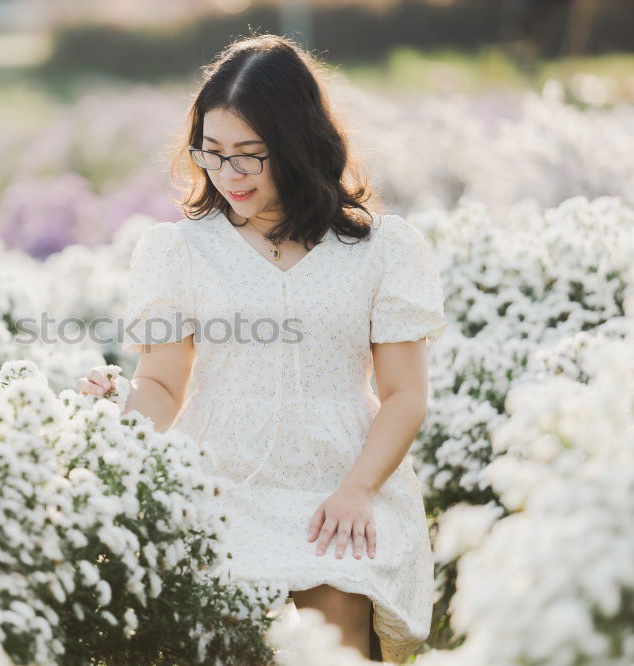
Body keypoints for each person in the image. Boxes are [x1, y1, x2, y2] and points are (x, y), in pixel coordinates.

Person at [76, 33, 446, 664]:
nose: (229, 174)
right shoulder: (180, 251)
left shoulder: (384, 249)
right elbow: (164, 386)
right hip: (222, 484)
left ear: (300, 144)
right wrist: (113, 414)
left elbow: (405, 395)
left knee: (338, 631)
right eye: (212, 154)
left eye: (249, 154)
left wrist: (359, 488)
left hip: (345, 479)